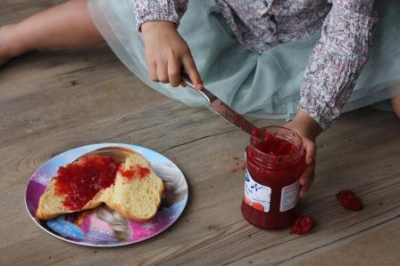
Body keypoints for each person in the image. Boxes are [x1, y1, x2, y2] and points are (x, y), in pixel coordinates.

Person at [1, 0, 400, 198]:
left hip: (318, 36)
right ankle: (17, 37)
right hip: (218, 17)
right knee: (117, 8)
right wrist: (157, 23)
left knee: (393, 57)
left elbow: (347, 40)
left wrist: (306, 122)